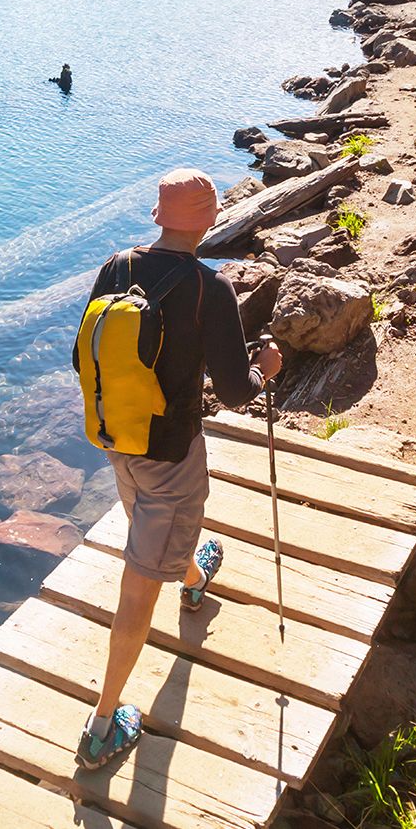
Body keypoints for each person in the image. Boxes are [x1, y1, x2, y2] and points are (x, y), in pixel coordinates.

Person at [76, 168, 281, 770]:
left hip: (119, 438)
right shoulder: (207, 290)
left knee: (152, 522)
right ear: (211, 220)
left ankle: (193, 579)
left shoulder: (116, 267)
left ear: (159, 216)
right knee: (138, 591)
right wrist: (266, 366)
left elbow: (82, 355)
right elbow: (237, 391)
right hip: (172, 452)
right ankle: (102, 726)